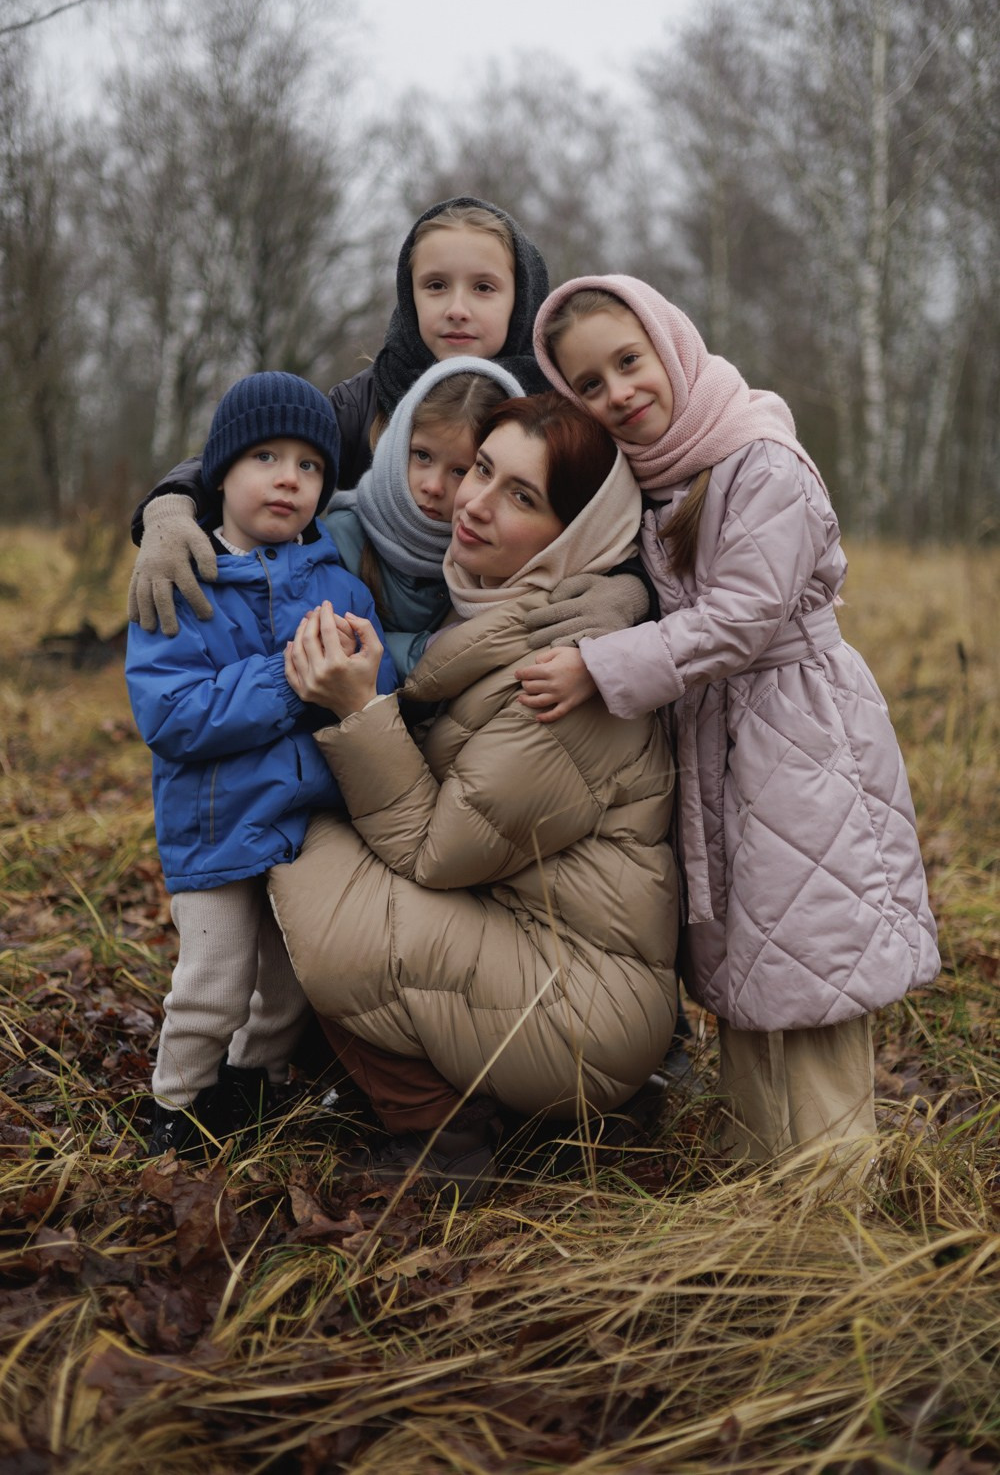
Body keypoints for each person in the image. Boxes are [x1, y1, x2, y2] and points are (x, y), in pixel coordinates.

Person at [521, 275, 941, 1184]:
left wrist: (601, 667)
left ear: (670, 346)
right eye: (589, 386)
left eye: (629, 363)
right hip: (719, 731)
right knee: (755, 964)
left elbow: (746, 613)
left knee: (813, 959)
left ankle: (833, 1212)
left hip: (798, 728)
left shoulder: (758, 457)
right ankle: (764, 1183)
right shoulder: (654, 476)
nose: (619, 394)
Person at [269, 392, 681, 1202]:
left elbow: (435, 853)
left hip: (583, 1008)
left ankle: (441, 1144)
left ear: (576, 536)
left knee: (298, 860)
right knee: (298, 835)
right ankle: (488, 1110)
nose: (475, 503)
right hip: (541, 956)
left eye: (521, 497)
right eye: (481, 470)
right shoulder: (505, 612)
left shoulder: (566, 674)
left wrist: (359, 711)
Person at [125, 372, 397, 1157]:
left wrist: (362, 679)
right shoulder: (185, 579)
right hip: (215, 830)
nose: (290, 477)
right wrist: (287, 677)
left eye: (311, 466)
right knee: (212, 984)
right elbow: (171, 715)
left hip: (306, 828)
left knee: (285, 992)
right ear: (221, 473)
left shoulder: (340, 586)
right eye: (266, 458)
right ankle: (174, 1111)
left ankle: (252, 1094)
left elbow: (374, 694)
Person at [127, 197, 551, 638]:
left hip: (503, 640)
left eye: (484, 288)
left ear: (521, 299)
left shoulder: (552, 410)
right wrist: (172, 506)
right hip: (358, 644)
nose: (457, 308)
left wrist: (621, 591)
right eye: (436, 285)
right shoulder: (365, 400)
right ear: (409, 296)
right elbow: (253, 450)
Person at [324, 355, 523, 679]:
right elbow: (335, 648)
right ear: (399, 440)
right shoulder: (343, 533)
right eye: (422, 455)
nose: (432, 486)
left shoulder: (492, 554)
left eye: (461, 470)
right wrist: (427, 650)